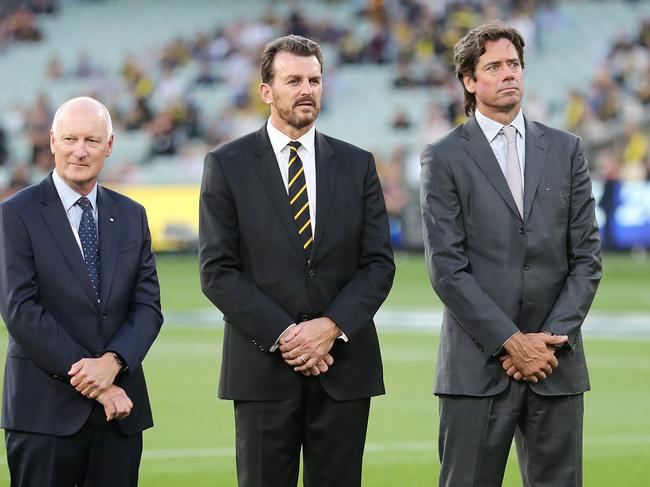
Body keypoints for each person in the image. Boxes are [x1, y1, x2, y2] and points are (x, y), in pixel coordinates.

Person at [199, 34, 395, 487]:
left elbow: (378, 265)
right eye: (293, 80)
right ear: (266, 91)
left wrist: (329, 328)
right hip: (263, 370)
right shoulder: (227, 165)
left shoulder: (357, 164)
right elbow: (217, 271)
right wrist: (287, 335)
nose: (306, 89)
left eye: (314, 80)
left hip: (344, 369)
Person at [420, 22, 601, 487]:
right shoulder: (443, 157)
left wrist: (550, 340)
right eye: (494, 66)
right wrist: (510, 341)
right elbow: (447, 269)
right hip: (476, 369)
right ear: (469, 80)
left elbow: (587, 258)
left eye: (514, 64)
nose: (509, 75)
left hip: (555, 366)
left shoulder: (566, 149)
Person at [0, 96, 163, 486]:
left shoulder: (131, 214)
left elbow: (148, 308)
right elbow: (21, 310)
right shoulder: (15, 213)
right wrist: (97, 381)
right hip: (44, 415)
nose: (80, 150)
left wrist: (113, 364)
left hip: (119, 418)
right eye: (70, 139)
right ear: (52, 141)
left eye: (92, 140)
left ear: (109, 145)